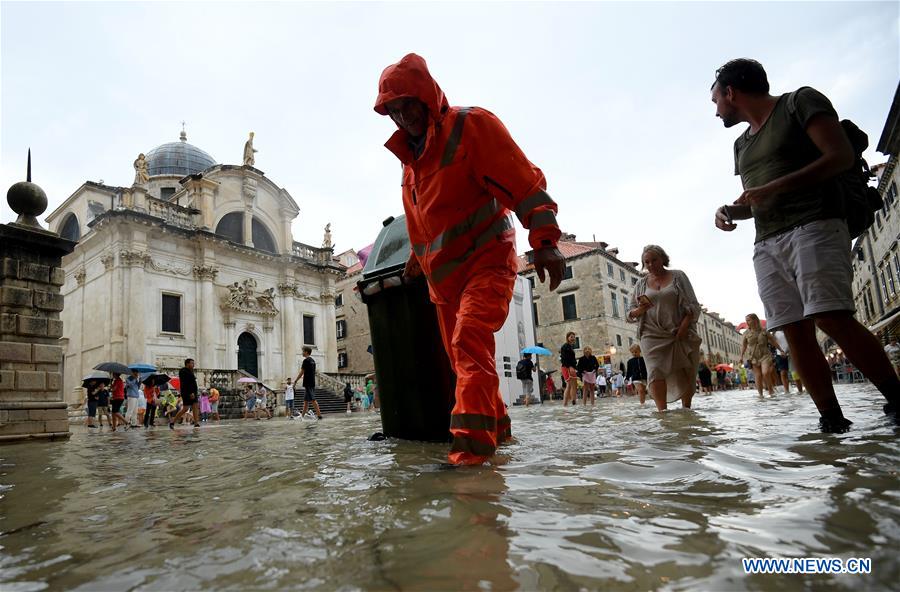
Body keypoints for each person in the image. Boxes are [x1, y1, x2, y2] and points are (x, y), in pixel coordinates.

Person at [374, 53, 565, 465]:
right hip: (443, 283)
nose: (403, 117)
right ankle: (498, 433)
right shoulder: (410, 165)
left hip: (487, 259)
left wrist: (546, 240)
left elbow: (523, 179)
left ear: (428, 96)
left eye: (408, 104)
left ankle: (470, 455)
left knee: (468, 340)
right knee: (465, 359)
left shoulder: (471, 126)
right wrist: (416, 262)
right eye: (393, 110)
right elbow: (423, 223)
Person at [711, 58, 900, 432]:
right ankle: (830, 419)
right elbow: (757, 197)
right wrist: (730, 210)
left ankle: (897, 397)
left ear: (731, 92)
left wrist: (774, 187)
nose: (716, 111)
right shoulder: (741, 145)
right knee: (794, 331)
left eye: (716, 100)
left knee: (831, 317)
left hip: (816, 223)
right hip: (767, 242)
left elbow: (839, 156)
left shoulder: (799, 102)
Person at [627, 245, 702, 411]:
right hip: (650, 334)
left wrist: (683, 328)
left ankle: (686, 410)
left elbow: (693, 305)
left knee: (686, 371)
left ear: (663, 259)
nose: (651, 264)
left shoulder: (678, 276)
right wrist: (640, 310)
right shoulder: (640, 283)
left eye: (654, 260)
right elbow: (630, 313)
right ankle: (662, 414)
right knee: (654, 372)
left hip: (679, 332)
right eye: (647, 262)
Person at [740, 313, 784, 397]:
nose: (747, 322)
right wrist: (741, 356)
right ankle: (760, 395)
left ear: (755, 320)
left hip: (765, 355)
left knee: (765, 372)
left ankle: (770, 390)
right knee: (758, 376)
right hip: (753, 357)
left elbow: (773, 341)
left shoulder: (764, 331)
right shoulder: (746, 333)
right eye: (746, 321)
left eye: (749, 320)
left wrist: (781, 350)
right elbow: (744, 346)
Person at [170, 358, 200, 429]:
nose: (193, 365)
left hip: (193, 392)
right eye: (192, 363)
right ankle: (173, 422)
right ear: (187, 364)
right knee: (185, 408)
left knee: (195, 407)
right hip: (187, 392)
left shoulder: (190, 371)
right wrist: (190, 393)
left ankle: (196, 423)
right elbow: (186, 383)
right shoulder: (183, 371)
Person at [296, 347, 322, 420]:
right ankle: (302, 416)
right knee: (306, 401)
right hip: (312, 382)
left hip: (308, 382)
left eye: (303, 351)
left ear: (306, 352)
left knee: (313, 399)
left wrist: (296, 380)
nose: (302, 352)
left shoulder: (306, 361)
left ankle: (319, 415)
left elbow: (302, 372)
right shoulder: (313, 361)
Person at [560, 332, 579, 406]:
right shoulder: (565, 346)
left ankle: (573, 402)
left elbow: (572, 359)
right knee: (569, 385)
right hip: (567, 367)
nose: (573, 338)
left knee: (574, 385)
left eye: (574, 337)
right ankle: (565, 404)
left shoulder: (570, 347)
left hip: (571, 367)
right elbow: (564, 358)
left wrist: (574, 367)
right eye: (571, 337)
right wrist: (570, 367)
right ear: (567, 337)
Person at [772, 329, 792, 393]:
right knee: (783, 373)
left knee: (795, 372)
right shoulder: (775, 333)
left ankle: (801, 388)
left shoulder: (788, 329)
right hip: (780, 354)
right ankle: (787, 390)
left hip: (791, 353)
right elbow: (772, 342)